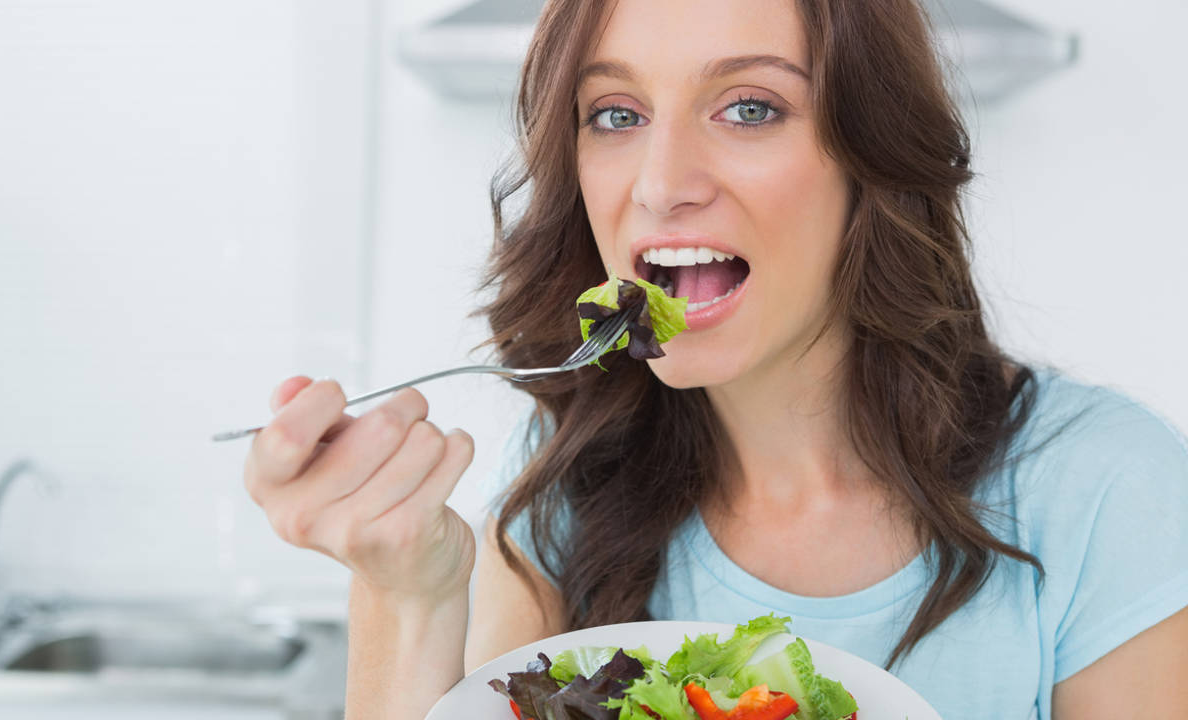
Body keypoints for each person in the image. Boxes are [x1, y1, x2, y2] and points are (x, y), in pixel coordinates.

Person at [242, 0, 1188, 717]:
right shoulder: (567, 490)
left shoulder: (1107, 490)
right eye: (614, 114)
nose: (660, 186)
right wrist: (404, 591)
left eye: (748, 107)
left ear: (873, 155)